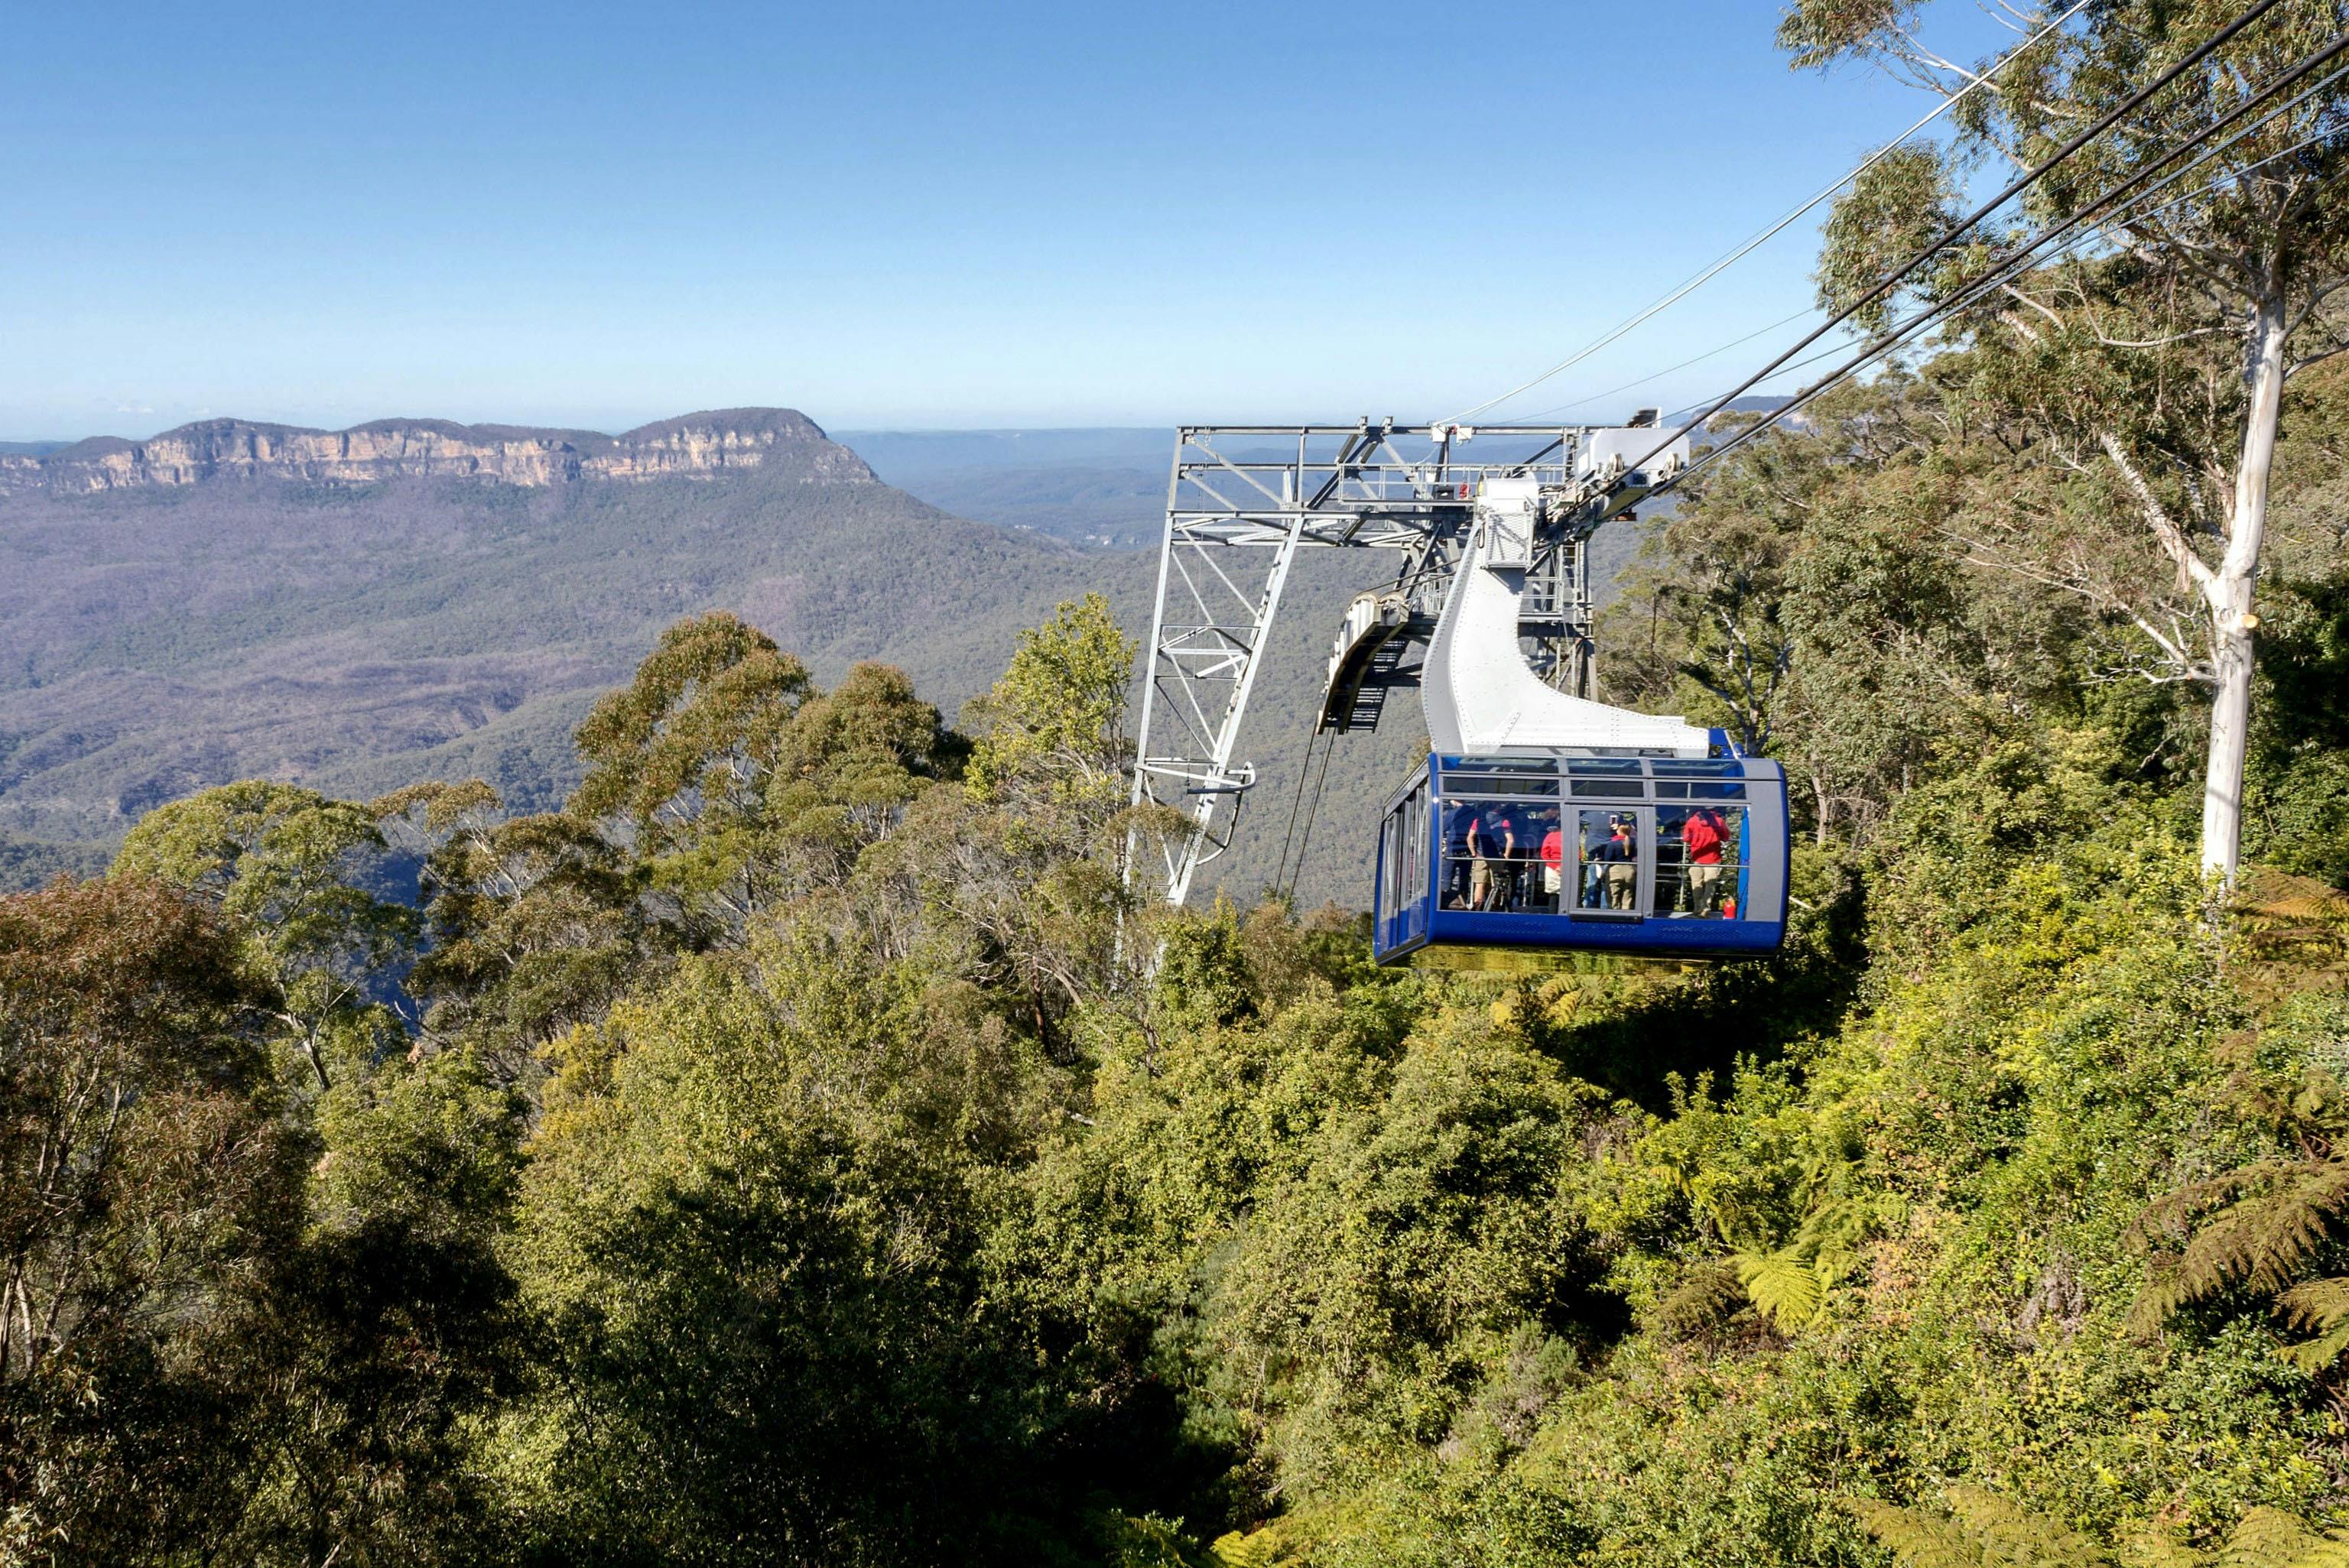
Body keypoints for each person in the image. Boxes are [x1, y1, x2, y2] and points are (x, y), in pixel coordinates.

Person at [1468, 803, 1516, 911]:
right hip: (1497, 856)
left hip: (1481, 856)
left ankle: (1478, 908)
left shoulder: (1478, 821)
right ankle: (1495, 907)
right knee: (1496, 884)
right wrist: (1506, 856)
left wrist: (1474, 853)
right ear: (1497, 808)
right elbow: (1511, 840)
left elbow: (1470, 838)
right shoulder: (1504, 821)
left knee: (1480, 884)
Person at [1684, 806, 1728, 917]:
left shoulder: (1692, 821)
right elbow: (1726, 837)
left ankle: (1696, 908)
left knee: (1696, 884)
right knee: (1710, 885)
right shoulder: (1719, 821)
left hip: (1697, 858)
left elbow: (1686, 838)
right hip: (1714, 858)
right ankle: (1705, 909)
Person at [1590, 813, 1636, 911]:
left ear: (1619, 829)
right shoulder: (1632, 841)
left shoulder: (1613, 843)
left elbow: (1608, 859)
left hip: (1615, 871)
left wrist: (1599, 860)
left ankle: (1614, 916)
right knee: (1627, 896)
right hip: (1630, 870)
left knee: (1613, 897)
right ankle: (1626, 916)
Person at [1538, 808, 1564, 910]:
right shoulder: (1572, 836)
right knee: (1567, 894)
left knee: (1553, 895)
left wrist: (1555, 867)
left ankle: (1553, 918)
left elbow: (1544, 854)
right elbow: (1578, 854)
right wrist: (1564, 867)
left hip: (1552, 868)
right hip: (1568, 868)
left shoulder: (1550, 836)